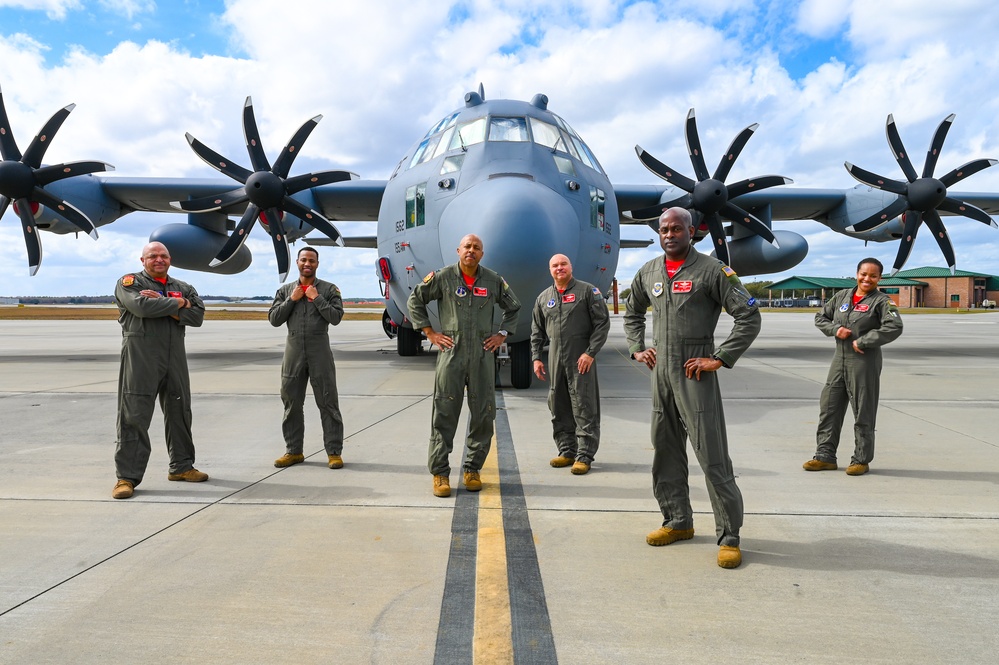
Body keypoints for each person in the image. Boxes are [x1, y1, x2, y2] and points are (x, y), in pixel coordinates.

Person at [623, 207, 761, 569]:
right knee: (665, 452)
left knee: (712, 456)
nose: (669, 234)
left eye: (677, 228)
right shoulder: (649, 271)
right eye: (664, 229)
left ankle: (729, 535)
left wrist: (719, 357)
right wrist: (637, 347)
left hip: (694, 373)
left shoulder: (713, 271)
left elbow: (748, 315)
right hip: (661, 376)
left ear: (692, 231)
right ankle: (677, 521)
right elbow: (632, 310)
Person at [407, 234, 521, 498]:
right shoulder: (443, 277)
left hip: (482, 355)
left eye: (477, 248)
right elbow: (416, 299)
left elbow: (513, 307)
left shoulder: (493, 280)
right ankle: (440, 474)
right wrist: (430, 333)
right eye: (467, 247)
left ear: (482, 254)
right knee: (444, 414)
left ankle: (472, 469)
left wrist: (502, 334)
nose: (471, 251)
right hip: (451, 354)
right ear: (458, 250)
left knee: (483, 414)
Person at [112, 241, 207, 499]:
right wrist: (179, 305)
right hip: (141, 355)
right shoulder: (130, 283)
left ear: (170, 259)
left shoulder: (183, 287)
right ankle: (126, 478)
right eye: (152, 256)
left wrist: (166, 301)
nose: (158, 259)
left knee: (180, 411)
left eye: (163, 256)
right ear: (142, 260)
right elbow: (142, 307)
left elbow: (197, 317)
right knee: (134, 415)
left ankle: (181, 466)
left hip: (174, 355)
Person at [804, 257, 903, 476]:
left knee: (863, 410)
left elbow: (894, 326)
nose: (867, 279)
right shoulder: (842, 296)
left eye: (873, 275)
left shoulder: (882, 301)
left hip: (864, 361)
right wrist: (834, 329)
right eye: (864, 274)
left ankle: (861, 459)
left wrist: (864, 341)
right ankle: (825, 456)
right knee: (829, 407)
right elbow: (821, 317)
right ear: (856, 274)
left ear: (879, 278)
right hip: (839, 359)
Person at [530, 253, 611, 475]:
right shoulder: (544, 297)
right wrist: (536, 357)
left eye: (563, 264)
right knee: (558, 404)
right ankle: (567, 451)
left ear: (571, 267)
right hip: (555, 356)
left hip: (581, 357)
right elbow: (537, 330)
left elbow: (602, 323)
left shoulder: (587, 292)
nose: (559, 268)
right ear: (550, 270)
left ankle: (584, 455)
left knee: (584, 404)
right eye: (555, 265)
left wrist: (590, 353)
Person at [268, 246, 346, 470]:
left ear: (317, 264)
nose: (307, 264)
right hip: (293, 352)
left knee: (328, 401)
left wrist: (317, 298)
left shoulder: (329, 289)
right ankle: (293, 451)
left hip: (319, 350)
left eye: (311, 260)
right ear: (298, 263)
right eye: (303, 260)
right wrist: (292, 300)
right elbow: (274, 319)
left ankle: (333, 452)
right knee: (291, 403)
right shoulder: (285, 291)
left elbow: (336, 317)